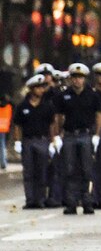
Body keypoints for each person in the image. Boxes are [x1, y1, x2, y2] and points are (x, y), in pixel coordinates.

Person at [53, 62, 101, 215]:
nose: (77, 80)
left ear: (85, 79)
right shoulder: (64, 95)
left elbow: (98, 115)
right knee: (69, 170)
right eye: (74, 77)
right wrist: (58, 134)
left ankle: (87, 201)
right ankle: (71, 202)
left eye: (80, 77)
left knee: (87, 170)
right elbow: (59, 116)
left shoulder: (92, 95)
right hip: (69, 135)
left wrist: (97, 135)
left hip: (85, 134)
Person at [14, 74, 56, 208]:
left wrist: (53, 141)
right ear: (31, 89)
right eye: (37, 88)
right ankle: (30, 200)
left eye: (41, 87)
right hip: (28, 141)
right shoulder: (23, 106)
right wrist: (17, 141)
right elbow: (17, 125)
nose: (40, 90)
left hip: (42, 140)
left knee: (42, 171)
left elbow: (52, 124)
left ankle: (40, 199)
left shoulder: (47, 106)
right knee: (28, 172)